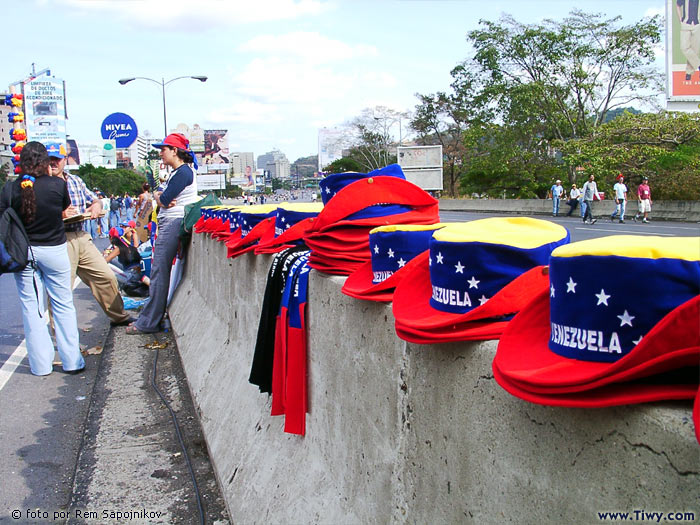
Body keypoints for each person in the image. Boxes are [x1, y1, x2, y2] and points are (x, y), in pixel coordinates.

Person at [0, 142, 85, 375]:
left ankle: (40, 367)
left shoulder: (10, 189)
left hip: (24, 253)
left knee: (32, 310)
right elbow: (65, 208)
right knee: (63, 305)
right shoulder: (57, 185)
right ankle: (72, 362)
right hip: (55, 251)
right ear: (45, 162)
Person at [46, 143, 133, 327]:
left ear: (64, 161)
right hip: (58, 239)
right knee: (61, 290)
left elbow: (93, 199)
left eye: (57, 159)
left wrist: (96, 205)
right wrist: (60, 214)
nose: (53, 163)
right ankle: (61, 336)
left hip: (81, 235)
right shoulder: (40, 183)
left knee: (105, 277)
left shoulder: (75, 181)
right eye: (50, 159)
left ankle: (119, 316)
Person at [127, 133, 199, 334]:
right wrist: (158, 196)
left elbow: (165, 199)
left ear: (175, 151)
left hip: (173, 223)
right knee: (159, 272)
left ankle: (148, 323)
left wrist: (159, 198)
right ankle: (153, 317)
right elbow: (160, 196)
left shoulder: (184, 173)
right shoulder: (177, 173)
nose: (160, 154)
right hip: (169, 223)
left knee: (159, 273)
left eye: (163, 150)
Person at [676, 0, 700, 81]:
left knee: (695, 50)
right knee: (684, 47)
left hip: (697, 24)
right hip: (686, 24)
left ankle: (689, 72)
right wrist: (680, 19)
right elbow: (678, 5)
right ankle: (698, 65)